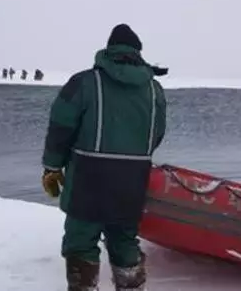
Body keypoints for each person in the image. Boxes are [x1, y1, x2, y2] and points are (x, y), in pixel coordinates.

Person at [41, 23, 167, 291]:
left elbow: (60, 128)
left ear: (109, 50)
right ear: (138, 53)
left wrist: (52, 166)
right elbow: (156, 136)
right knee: (124, 238)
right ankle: (131, 286)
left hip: (88, 178)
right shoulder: (154, 90)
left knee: (81, 240)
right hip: (132, 179)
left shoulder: (85, 82)